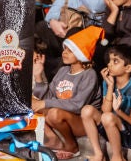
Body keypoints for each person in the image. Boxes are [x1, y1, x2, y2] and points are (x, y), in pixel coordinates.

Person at [35, 26, 105, 160]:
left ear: (81, 54)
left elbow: (78, 105)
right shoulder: (63, 71)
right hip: (63, 118)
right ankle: (53, 140)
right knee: (33, 106)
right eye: (65, 49)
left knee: (53, 113)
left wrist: (44, 103)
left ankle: (72, 146)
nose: (64, 53)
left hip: (82, 123)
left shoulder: (89, 74)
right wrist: (39, 77)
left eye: (70, 50)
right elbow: (49, 97)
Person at [80, 45, 131, 161]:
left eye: (115, 61)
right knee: (87, 110)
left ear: (128, 68)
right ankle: (98, 154)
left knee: (108, 117)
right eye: (110, 60)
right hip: (113, 127)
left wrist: (118, 111)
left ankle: (118, 157)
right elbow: (105, 110)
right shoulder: (108, 82)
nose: (109, 64)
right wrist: (110, 86)